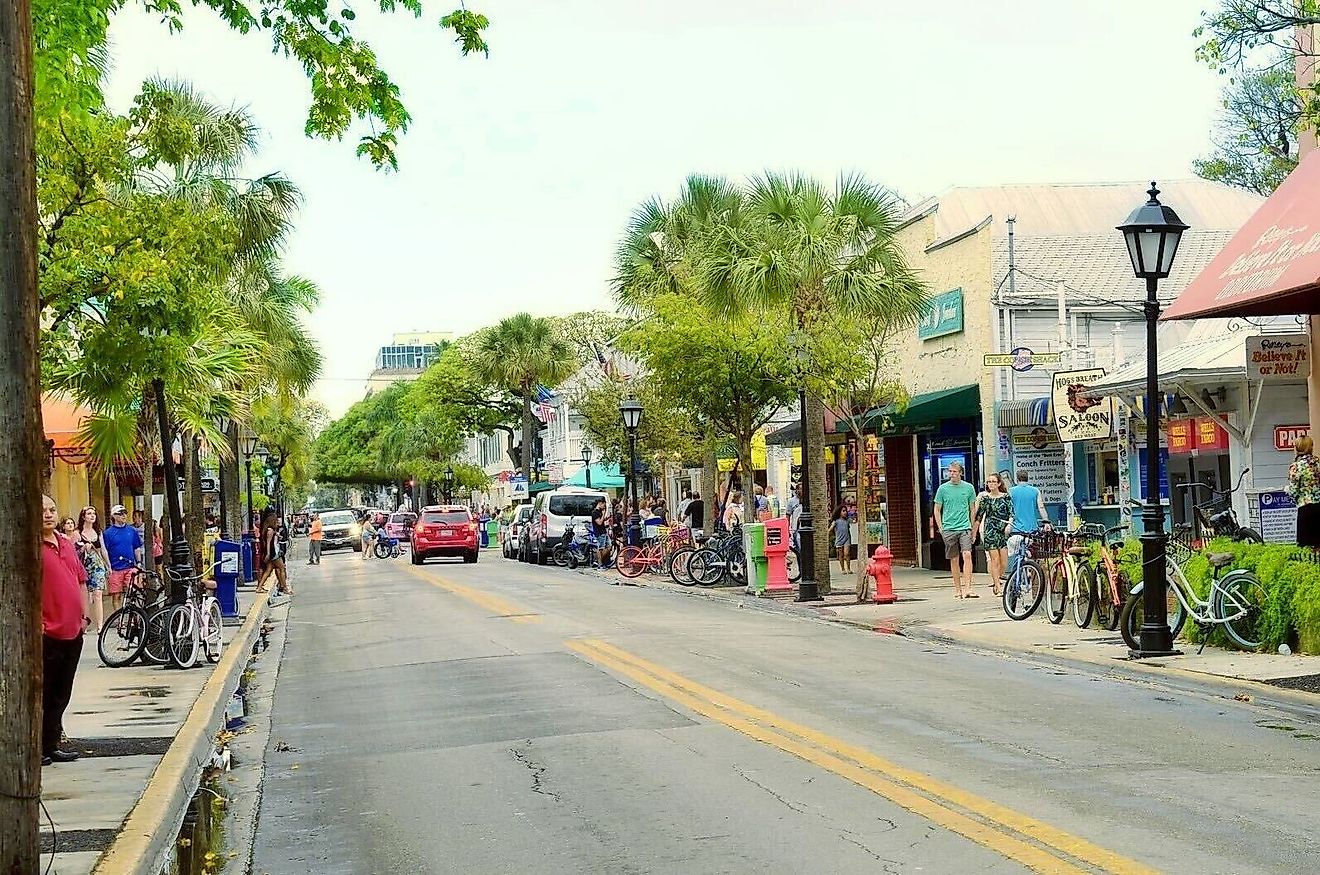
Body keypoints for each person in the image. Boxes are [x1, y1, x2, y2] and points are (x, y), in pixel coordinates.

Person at [41, 495, 86, 766]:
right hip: (48, 633)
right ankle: (39, 747)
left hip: (73, 631)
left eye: (52, 509)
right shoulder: (29, 546)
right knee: (44, 692)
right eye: (42, 510)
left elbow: (80, 579)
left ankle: (52, 743)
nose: (48, 514)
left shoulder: (67, 544)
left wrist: (84, 617)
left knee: (62, 692)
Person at [934, 462, 978, 599]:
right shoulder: (942, 489)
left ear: (960, 473)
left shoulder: (969, 488)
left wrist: (971, 526)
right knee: (954, 559)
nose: (951, 474)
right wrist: (941, 528)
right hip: (949, 528)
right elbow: (937, 509)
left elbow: (972, 509)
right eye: (950, 471)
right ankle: (958, 589)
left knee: (967, 555)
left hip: (965, 527)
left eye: (954, 471)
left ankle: (968, 588)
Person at [75, 506, 110, 634]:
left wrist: (108, 565)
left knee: (98, 594)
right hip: (83, 565)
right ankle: (84, 623)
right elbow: (73, 552)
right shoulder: (77, 533)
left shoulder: (98, 532)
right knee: (86, 596)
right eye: (89, 513)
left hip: (97, 564)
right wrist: (83, 548)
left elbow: (103, 550)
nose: (92, 516)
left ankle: (100, 626)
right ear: (83, 516)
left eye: (94, 513)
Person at [102, 504, 143, 615]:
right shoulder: (108, 533)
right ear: (114, 516)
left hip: (130, 566)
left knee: (132, 592)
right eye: (120, 513)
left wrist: (139, 563)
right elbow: (104, 550)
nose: (124, 515)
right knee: (116, 595)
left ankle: (134, 618)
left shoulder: (132, 531)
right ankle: (119, 618)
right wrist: (108, 566)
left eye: (125, 513)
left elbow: (136, 547)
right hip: (115, 568)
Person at [976, 473, 1013, 596]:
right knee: (994, 559)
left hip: (1002, 530)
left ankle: (999, 576)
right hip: (990, 530)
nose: (990, 484)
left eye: (993, 481)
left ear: (998, 483)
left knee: (1004, 561)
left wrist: (1009, 525)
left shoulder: (1006, 497)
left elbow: (1012, 513)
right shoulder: (985, 498)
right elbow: (979, 516)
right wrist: (973, 531)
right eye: (989, 482)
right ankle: (997, 585)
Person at [1287, 435, 1320, 548]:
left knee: (1306, 546)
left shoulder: (1296, 466)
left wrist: (1287, 490)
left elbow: (1293, 491)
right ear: (1311, 447)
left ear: (1297, 448)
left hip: (1305, 508)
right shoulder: (1318, 463)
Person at [256, 510, 290, 594]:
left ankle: (259, 587)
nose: (276, 522)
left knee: (269, 570)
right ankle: (285, 588)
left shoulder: (268, 530)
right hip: (274, 552)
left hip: (271, 552)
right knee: (282, 568)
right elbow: (268, 543)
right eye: (275, 520)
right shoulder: (270, 531)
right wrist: (268, 553)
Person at [832, 505, 853, 574]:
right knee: (840, 555)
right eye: (843, 511)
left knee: (847, 554)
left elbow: (853, 521)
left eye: (845, 511)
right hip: (839, 540)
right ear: (839, 512)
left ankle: (849, 568)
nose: (845, 512)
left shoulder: (847, 520)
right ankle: (843, 569)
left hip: (847, 539)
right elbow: (830, 528)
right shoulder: (836, 521)